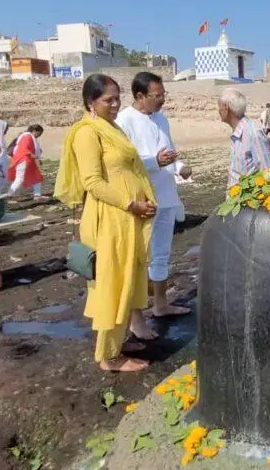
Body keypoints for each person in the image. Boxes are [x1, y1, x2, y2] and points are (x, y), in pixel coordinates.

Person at [54, 74, 158, 373]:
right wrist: (130, 203)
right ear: (90, 103)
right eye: (107, 100)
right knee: (112, 285)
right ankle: (109, 357)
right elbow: (93, 182)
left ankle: (118, 343)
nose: (115, 104)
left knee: (127, 281)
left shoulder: (112, 128)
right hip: (110, 219)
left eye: (117, 98)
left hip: (127, 219)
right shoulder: (88, 133)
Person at [116, 72, 193, 341]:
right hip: (142, 199)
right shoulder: (124, 121)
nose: (162, 100)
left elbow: (169, 152)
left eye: (163, 95)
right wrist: (154, 162)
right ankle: (136, 318)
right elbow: (124, 163)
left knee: (161, 253)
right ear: (140, 96)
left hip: (167, 195)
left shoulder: (161, 118)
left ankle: (160, 305)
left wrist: (180, 167)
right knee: (139, 259)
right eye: (156, 96)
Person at [218, 88, 270, 187]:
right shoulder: (238, 133)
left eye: (219, 107)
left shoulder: (253, 133)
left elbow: (268, 173)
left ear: (225, 107)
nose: (218, 111)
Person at [7, 125, 45, 198]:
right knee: (20, 178)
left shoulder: (29, 137)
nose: (39, 136)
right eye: (39, 134)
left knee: (36, 177)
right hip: (23, 160)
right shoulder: (27, 137)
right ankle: (9, 194)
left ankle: (37, 195)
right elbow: (24, 148)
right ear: (34, 131)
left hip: (28, 160)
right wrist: (35, 157)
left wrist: (36, 158)